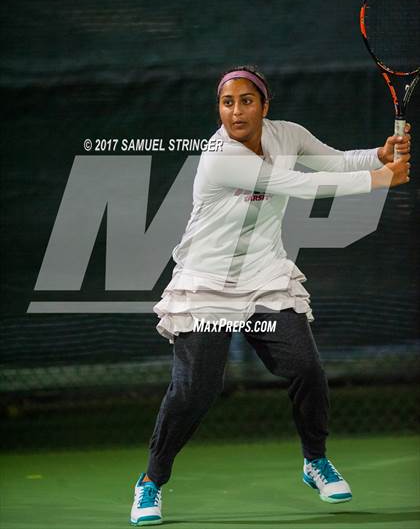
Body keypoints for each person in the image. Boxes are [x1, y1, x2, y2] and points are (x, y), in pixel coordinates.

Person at [129, 66, 411, 526]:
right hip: (206, 285)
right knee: (195, 391)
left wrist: (377, 156)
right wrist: (381, 179)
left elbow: (333, 161)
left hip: (264, 276)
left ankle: (314, 460)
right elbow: (298, 185)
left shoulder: (288, 135)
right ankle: (151, 482)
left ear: (264, 105)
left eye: (246, 100)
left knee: (306, 368)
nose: (235, 111)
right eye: (227, 102)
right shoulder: (221, 156)